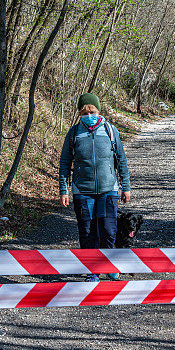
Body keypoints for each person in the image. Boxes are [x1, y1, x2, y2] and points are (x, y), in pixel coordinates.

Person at [59, 93, 131, 282]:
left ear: (99, 111)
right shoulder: (74, 133)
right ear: (80, 113)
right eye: (85, 111)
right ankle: (92, 270)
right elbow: (65, 163)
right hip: (83, 192)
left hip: (108, 190)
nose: (89, 114)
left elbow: (121, 159)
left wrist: (126, 186)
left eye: (92, 111)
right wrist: (63, 190)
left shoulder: (110, 130)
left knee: (108, 229)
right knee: (87, 232)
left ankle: (110, 266)